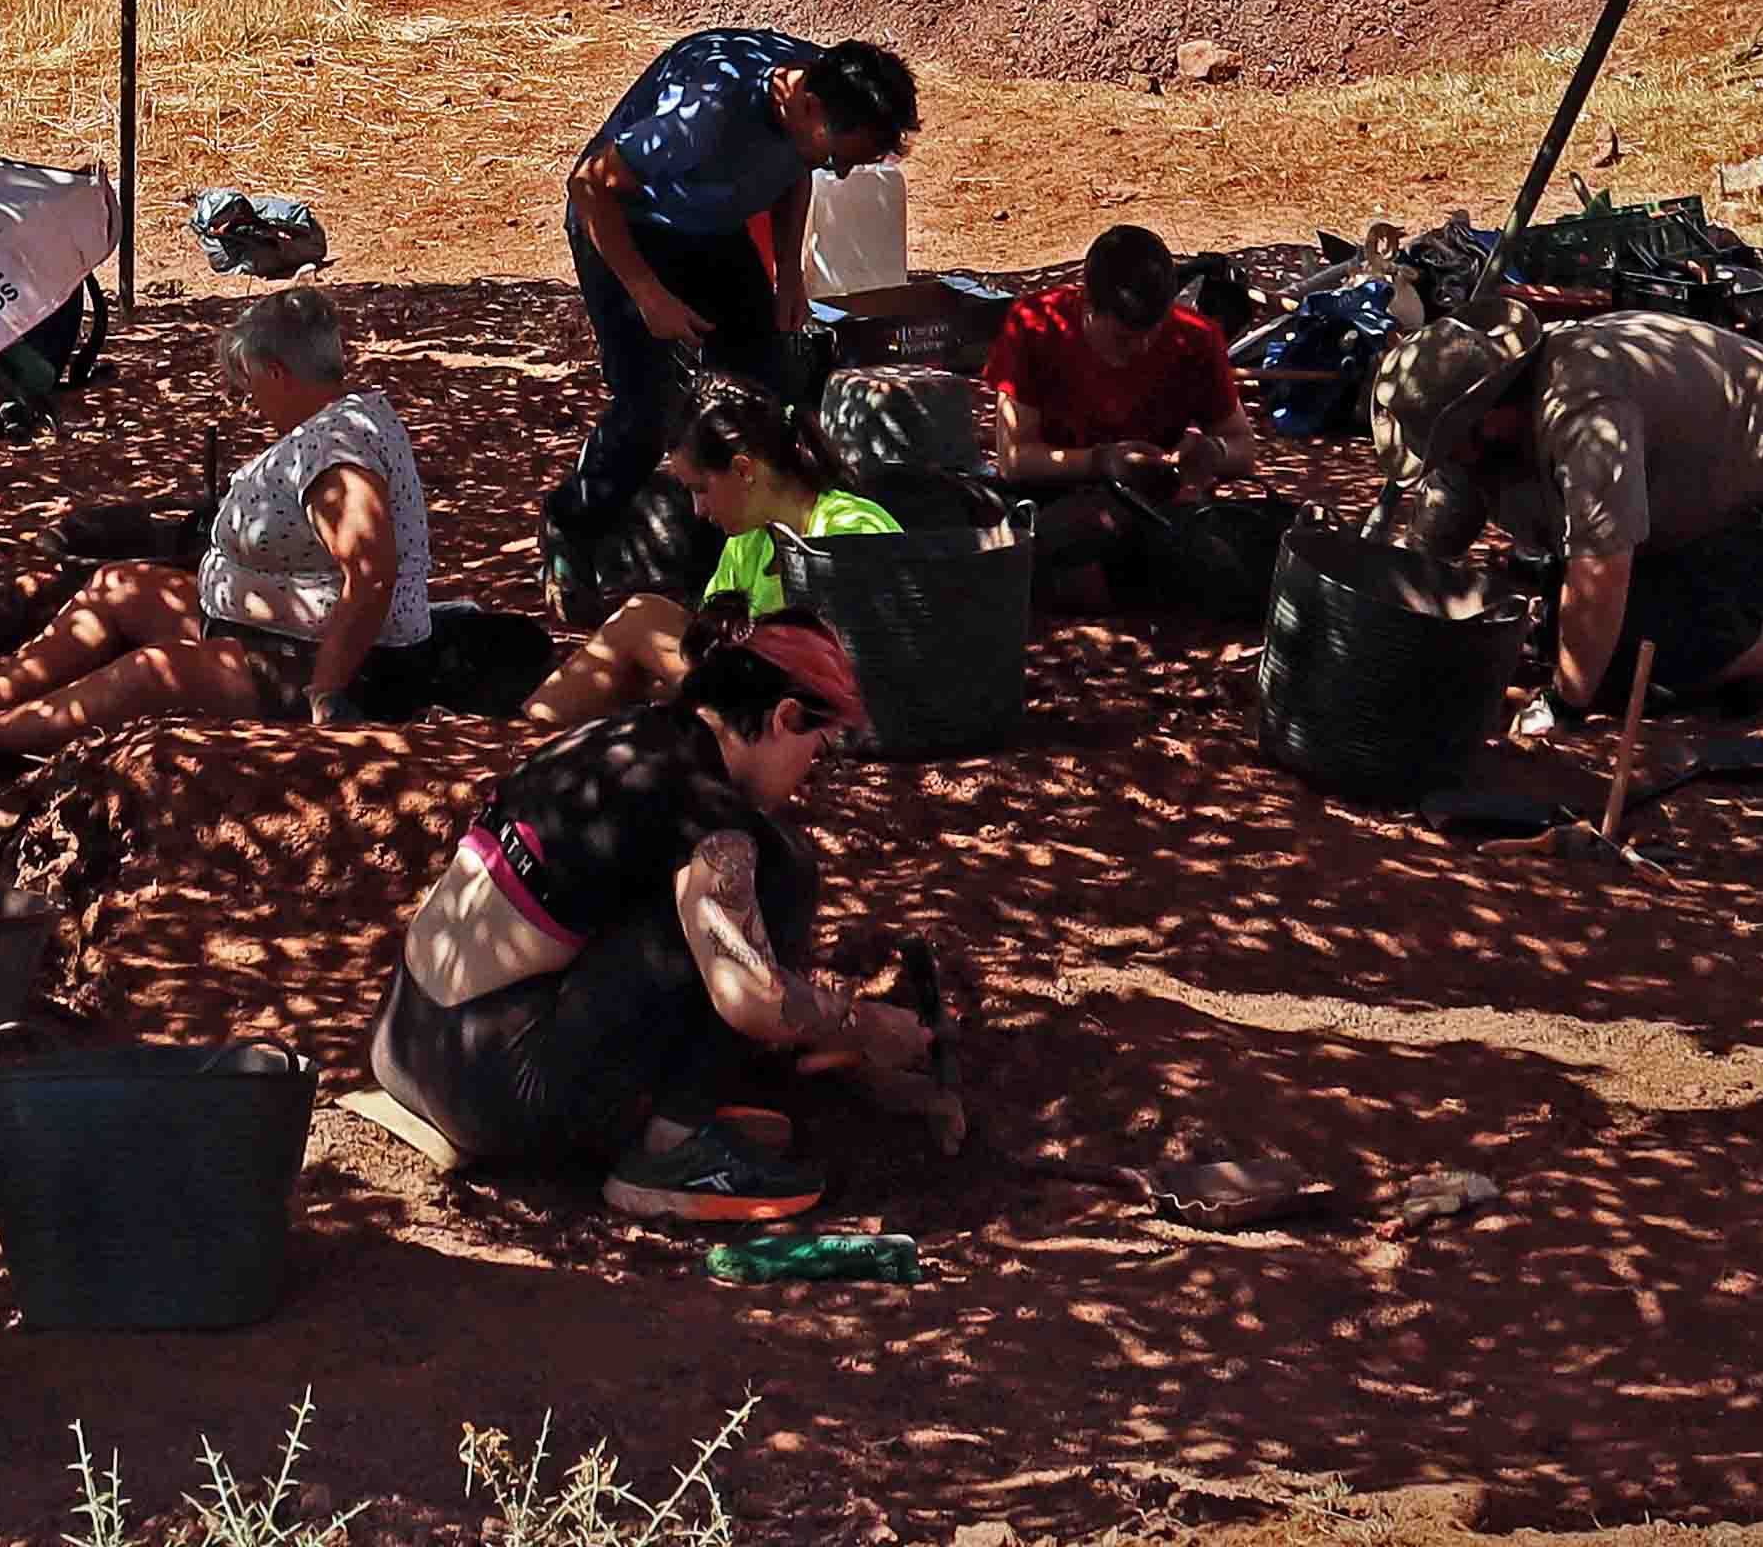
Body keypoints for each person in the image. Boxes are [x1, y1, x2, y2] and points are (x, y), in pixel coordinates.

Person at [371, 635, 953, 1226]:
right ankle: (667, 1155)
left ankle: (667, 1105)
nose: (811, 772)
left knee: (732, 886)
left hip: (405, 1040)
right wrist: (870, 1028)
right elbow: (747, 995)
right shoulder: (703, 809)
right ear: (785, 717)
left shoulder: (631, 738)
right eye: (817, 749)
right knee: (775, 874)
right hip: (489, 1091)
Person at [0, 292, 442, 767]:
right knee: (118, 588)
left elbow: (370, 576)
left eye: (247, 384)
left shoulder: (338, 452)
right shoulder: (346, 417)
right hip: (268, 627)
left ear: (278, 373)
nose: (245, 401)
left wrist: (325, 691)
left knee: (148, 672)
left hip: (326, 661)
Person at [1370, 310, 1763, 719]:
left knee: (1637, 662)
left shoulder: (1587, 417)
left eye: (1453, 450)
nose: (1452, 465)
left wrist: (1562, 704)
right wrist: (1389, 611)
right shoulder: (1487, 423)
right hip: (1691, 498)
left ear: (1488, 419)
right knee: (1565, 633)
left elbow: (1600, 575)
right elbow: (1439, 527)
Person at [557, 30, 920, 529]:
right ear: (809, 107)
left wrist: (789, 275)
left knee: (761, 394)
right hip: (627, 224)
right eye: (839, 159)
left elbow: (799, 169)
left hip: (713, 227)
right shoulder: (706, 113)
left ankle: (729, 547)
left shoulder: (822, 94)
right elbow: (589, 185)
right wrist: (647, 293)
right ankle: (572, 528)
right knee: (649, 404)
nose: (837, 175)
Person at [523, 385, 894, 731]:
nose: (698, 510)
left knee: (643, 619)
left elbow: (866, 667)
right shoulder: (749, 537)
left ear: (744, 470)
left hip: (815, 714)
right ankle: (539, 733)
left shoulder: (850, 529)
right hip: (764, 695)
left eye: (700, 489)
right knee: (642, 657)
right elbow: (708, 638)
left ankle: (533, 735)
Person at [987, 224, 1252, 619]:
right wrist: (1100, 462)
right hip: (1056, 494)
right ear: (1086, 304)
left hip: (1155, 503)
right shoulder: (1036, 326)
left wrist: (1210, 452)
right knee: (1035, 544)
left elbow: (1243, 449)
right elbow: (1015, 460)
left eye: (1153, 331)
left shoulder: (1195, 339)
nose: (1142, 346)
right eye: (1124, 338)